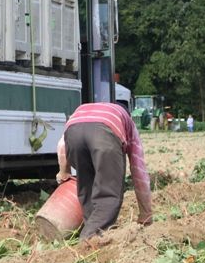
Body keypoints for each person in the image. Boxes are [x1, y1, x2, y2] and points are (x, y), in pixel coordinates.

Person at [56, 102, 153, 240]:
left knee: (87, 189)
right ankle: (89, 239)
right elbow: (138, 170)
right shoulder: (127, 122)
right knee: (108, 194)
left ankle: (92, 228)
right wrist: (146, 213)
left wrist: (64, 171)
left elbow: (62, 145)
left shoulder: (86, 110)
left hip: (72, 132)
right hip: (104, 132)